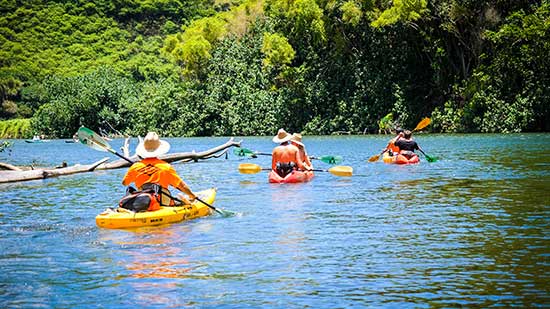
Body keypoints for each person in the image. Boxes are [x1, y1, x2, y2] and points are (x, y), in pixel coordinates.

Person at [122, 132, 197, 208]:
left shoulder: (135, 166)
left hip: (144, 203)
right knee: (183, 200)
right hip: (163, 203)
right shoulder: (166, 167)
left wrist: (139, 172)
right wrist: (192, 195)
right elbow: (182, 186)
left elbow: (124, 183)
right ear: (159, 149)